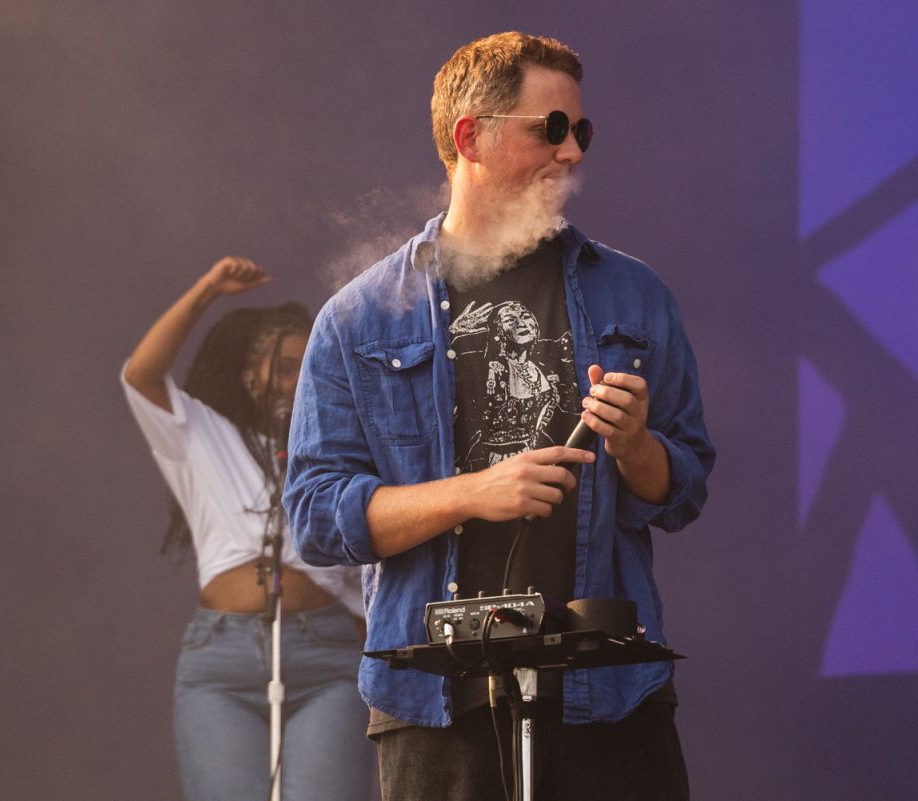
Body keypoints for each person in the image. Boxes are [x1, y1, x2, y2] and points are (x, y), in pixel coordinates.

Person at [284, 32, 715, 801]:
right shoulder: (359, 318)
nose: (573, 152)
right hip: (438, 706)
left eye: (581, 131)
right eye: (550, 128)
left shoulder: (635, 294)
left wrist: (637, 443)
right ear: (468, 136)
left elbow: (682, 490)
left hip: (608, 697)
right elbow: (316, 516)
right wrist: (472, 493)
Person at [121, 258, 373, 801]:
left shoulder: (343, 454)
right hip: (221, 663)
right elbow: (140, 375)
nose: (297, 380)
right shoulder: (202, 434)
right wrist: (207, 289)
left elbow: (364, 574)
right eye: (284, 366)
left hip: (326, 660)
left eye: (309, 369)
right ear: (248, 374)